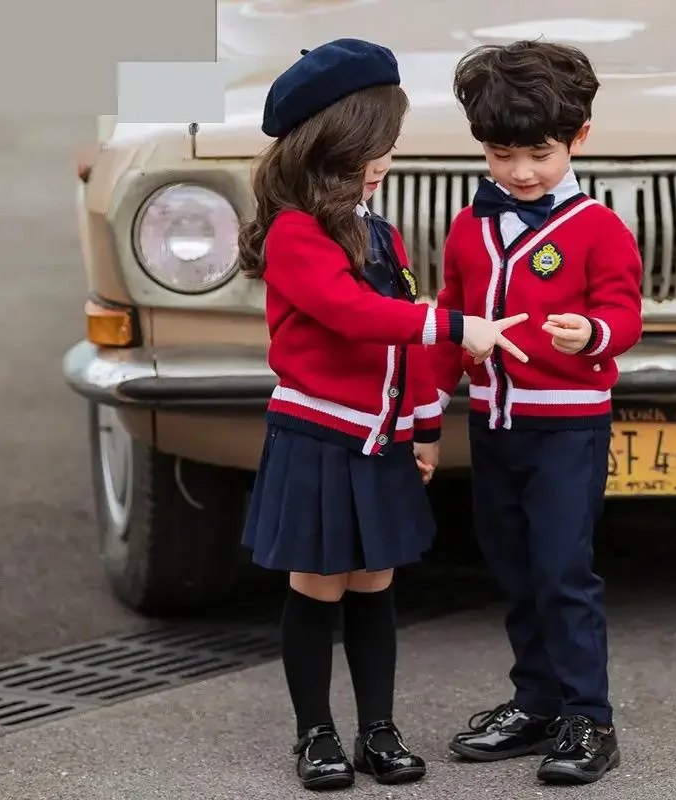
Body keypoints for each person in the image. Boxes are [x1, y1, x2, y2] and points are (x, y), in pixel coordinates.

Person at [237, 38, 529, 792]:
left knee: (375, 587)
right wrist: (451, 324)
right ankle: (315, 735)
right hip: (319, 439)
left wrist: (423, 423)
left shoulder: (381, 230)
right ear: (335, 142)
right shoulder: (297, 231)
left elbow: (397, 344)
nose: (386, 159)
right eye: (378, 145)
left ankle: (378, 729)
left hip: (380, 441)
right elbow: (352, 315)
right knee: (319, 586)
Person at [429, 40, 643, 785]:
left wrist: (593, 334)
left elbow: (624, 312)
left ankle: (591, 716)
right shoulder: (468, 227)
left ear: (578, 140)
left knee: (562, 569)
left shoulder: (598, 228)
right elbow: (451, 323)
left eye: (539, 154)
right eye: (500, 154)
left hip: (567, 429)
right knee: (512, 564)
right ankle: (537, 700)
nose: (520, 172)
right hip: (494, 425)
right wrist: (428, 416)